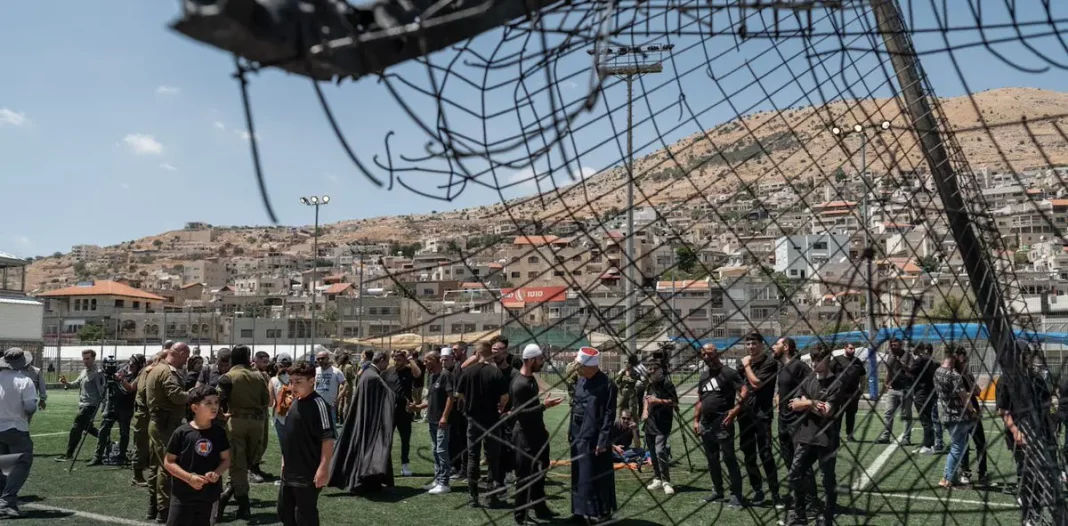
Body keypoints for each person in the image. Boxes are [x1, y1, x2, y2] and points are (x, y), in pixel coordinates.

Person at [786, 345, 845, 526]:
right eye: (813, 360)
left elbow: (827, 411)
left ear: (827, 359)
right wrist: (812, 402)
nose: (814, 364)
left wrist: (805, 403)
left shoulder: (837, 384)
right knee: (795, 473)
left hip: (827, 439)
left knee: (827, 479)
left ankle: (827, 516)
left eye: (818, 360)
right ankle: (800, 516)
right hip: (806, 436)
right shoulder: (808, 379)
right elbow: (792, 404)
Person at [509, 344, 563, 524]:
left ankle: (540, 509)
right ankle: (520, 515)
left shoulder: (530, 378)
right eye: (540, 359)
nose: (542, 362)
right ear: (531, 360)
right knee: (525, 476)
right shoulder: (520, 384)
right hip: (525, 436)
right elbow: (519, 413)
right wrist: (544, 407)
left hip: (536, 433)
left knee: (540, 471)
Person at [162, 385, 231, 526]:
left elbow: (226, 459)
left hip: (209, 495)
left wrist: (216, 473)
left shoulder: (219, 432)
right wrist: (189, 478)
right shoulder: (182, 433)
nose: (214, 406)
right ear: (195, 408)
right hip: (183, 494)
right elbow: (168, 462)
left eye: (216, 402)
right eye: (208, 403)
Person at [278, 361, 336, 526]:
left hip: (307, 473)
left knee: (305, 516)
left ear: (312, 381)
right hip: (289, 471)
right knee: (284, 512)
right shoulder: (295, 402)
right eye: (291, 381)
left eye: (298, 382)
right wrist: (284, 458)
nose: (293, 386)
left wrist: (323, 468)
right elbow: (291, 435)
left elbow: (327, 439)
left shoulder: (319, 405)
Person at [216, 345, 270, 521]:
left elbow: (217, 400)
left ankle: (235, 500)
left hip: (235, 421)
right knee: (247, 462)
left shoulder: (228, 377)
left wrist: (221, 416)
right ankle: (237, 499)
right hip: (257, 423)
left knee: (237, 463)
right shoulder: (259, 376)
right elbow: (266, 401)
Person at [329, 351, 395, 493]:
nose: (388, 364)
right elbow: (387, 396)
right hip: (370, 420)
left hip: (366, 418)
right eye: (387, 361)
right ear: (381, 359)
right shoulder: (373, 376)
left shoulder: (368, 373)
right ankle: (367, 482)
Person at [727, 331, 781, 506]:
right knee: (748, 454)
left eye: (754, 343)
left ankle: (775, 492)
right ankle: (758, 490)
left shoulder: (770, 362)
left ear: (761, 345)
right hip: (745, 415)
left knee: (765, 454)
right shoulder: (741, 365)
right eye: (748, 344)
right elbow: (736, 384)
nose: (750, 347)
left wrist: (747, 366)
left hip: (762, 414)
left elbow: (757, 384)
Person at [455, 342, 509, 508]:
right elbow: (505, 396)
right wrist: (500, 406)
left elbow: (459, 394)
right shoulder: (496, 372)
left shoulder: (468, 372)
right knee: (493, 459)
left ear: (476, 354)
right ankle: (491, 497)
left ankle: (473, 497)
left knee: (473, 457)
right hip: (492, 420)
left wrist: (470, 403)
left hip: (473, 420)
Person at [569, 347, 618, 522]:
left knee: (596, 475)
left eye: (580, 365)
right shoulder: (581, 380)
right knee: (578, 474)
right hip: (577, 435)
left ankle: (601, 512)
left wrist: (603, 440)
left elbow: (609, 414)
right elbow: (575, 407)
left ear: (591, 367)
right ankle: (579, 512)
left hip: (595, 438)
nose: (577, 368)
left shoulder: (608, 384)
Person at [146, 342, 192, 523]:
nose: (186, 361)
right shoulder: (167, 372)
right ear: (179, 354)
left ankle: (154, 506)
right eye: (186, 357)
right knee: (168, 467)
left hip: (157, 422)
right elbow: (177, 396)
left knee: (157, 467)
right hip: (166, 425)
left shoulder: (154, 369)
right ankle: (164, 510)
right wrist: (192, 394)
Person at [694, 343, 744, 508]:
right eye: (703, 355)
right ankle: (718, 491)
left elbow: (744, 390)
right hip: (706, 423)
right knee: (711, 459)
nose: (706, 357)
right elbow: (700, 400)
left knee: (729, 458)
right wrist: (696, 421)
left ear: (717, 353)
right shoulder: (703, 376)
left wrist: (735, 410)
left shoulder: (729, 373)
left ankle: (736, 495)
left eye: (709, 354)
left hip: (723, 421)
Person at [773, 337, 813, 514]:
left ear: (786, 347)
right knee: (789, 461)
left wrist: (801, 399)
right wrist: (777, 396)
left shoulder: (799, 366)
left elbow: (813, 385)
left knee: (801, 462)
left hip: (797, 421)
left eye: (777, 344)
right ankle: (799, 496)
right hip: (783, 419)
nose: (774, 347)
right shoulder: (782, 367)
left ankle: (812, 500)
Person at [0, 348, 39, 519]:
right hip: (16, 428)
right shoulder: (25, 381)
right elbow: (30, 407)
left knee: (4, 465)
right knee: (22, 462)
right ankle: (7, 501)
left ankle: (3, 498)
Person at [411, 351, 454, 495]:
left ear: (435, 360)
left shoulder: (445, 375)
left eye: (426, 361)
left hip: (441, 421)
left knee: (442, 451)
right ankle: (438, 479)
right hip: (432, 419)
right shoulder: (431, 377)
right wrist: (417, 407)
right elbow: (430, 400)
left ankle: (444, 482)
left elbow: (450, 398)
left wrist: (445, 417)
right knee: (435, 450)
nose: (424, 364)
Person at [934, 345, 977, 488]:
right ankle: (946, 478)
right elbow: (964, 398)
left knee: (958, 446)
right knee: (958, 447)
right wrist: (972, 410)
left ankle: (952, 478)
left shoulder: (938, 371)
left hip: (945, 413)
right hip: (957, 416)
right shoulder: (954, 375)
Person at [91, 354, 144, 466]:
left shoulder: (139, 375)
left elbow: (130, 389)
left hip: (126, 407)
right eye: (130, 362)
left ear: (139, 365)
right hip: (112, 404)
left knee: (124, 433)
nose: (130, 365)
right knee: (103, 430)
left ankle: (122, 455)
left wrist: (121, 379)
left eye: (133, 363)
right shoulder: (122, 369)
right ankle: (98, 456)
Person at [55, 349, 105, 462]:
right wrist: (66, 383)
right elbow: (76, 384)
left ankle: (69, 454)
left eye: (87, 358)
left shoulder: (98, 373)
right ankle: (108, 442)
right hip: (82, 404)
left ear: (93, 358)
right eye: (83, 358)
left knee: (76, 427)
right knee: (89, 428)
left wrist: (103, 407)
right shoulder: (84, 371)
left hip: (90, 406)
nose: (85, 361)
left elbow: (102, 392)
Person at [381, 349, 421, 477]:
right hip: (390, 410)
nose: (397, 362)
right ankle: (385, 466)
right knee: (387, 440)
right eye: (395, 359)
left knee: (405, 439)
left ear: (404, 360)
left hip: (405, 411)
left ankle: (405, 465)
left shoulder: (409, 370)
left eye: (399, 359)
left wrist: (409, 358)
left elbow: (418, 374)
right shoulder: (388, 372)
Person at [642, 358, 678, 496]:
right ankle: (657, 478)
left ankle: (666, 481)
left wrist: (659, 401)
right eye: (649, 369)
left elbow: (674, 402)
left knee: (660, 451)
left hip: (663, 423)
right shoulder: (650, 384)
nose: (651, 372)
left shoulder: (668, 384)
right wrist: (645, 410)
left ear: (660, 370)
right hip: (650, 422)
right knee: (652, 453)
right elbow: (647, 398)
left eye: (653, 369)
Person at [133, 350, 166, 496]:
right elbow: (142, 390)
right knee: (142, 445)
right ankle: (137, 475)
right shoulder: (149, 372)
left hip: (149, 412)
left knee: (152, 446)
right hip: (144, 412)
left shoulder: (149, 371)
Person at [491, 337, 519, 485]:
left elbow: (518, 397)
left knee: (507, 447)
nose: (495, 354)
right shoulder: (489, 371)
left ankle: (508, 473)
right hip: (491, 417)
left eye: (499, 351)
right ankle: (495, 476)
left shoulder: (514, 374)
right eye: (493, 351)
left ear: (506, 353)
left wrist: (510, 412)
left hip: (508, 417)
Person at [876, 338, 914, 445]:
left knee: (906, 415)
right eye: (891, 345)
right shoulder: (890, 356)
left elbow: (911, 372)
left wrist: (901, 362)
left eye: (895, 345)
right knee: (888, 413)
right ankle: (885, 436)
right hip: (893, 389)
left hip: (905, 389)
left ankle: (906, 438)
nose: (892, 347)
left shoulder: (908, 356)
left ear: (900, 345)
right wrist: (886, 382)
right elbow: (889, 370)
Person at [909, 343, 941, 455]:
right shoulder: (935, 361)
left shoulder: (920, 360)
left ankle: (928, 446)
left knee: (925, 420)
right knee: (930, 419)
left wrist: (902, 364)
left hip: (921, 393)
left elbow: (909, 372)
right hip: (932, 393)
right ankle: (928, 444)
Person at [443, 346, 469, 481]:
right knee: (456, 439)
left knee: (465, 440)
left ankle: (465, 469)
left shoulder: (467, 366)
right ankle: (458, 466)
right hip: (457, 409)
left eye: (455, 350)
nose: (453, 353)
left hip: (465, 409)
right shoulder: (456, 367)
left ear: (463, 351)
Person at [832, 342, 866, 442]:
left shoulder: (857, 361)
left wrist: (861, 389)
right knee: (837, 416)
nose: (853, 350)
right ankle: (835, 435)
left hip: (853, 394)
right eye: (850, 348)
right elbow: (829, 373)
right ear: (845, 348)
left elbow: (862, 376)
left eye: (854, 349)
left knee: (851, 416)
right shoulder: (837, 360)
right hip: (839, 394)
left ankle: (850, 435)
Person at [250, 351, 274, 483]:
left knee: (263, 442)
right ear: (257, 360)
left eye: (267, 361)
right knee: (256, 442)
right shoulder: (252, 374)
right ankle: (252, 470)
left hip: (264, 411)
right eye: (264, 361)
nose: (266, 364)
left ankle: (257, 467)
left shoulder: (264, 374)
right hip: (255, 412)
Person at [269, 354, 295, 448]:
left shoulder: (273, 380)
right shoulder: (296, 379)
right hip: (295, 415)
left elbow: (270, 402)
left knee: (284, 446)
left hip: (279, 415)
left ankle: (284, 462)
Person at [314, 350, 346, 424]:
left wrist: (338, 398)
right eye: (318, 359)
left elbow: (345, 384)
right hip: (316, 405)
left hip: (330, 405)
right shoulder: (315, 371)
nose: (320, 360)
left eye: (322, 358)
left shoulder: (336, 371)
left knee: (332, 428)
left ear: (328, 358)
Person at [615, 354, 643, 423]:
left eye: (627, 363)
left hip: (632, 394)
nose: (626, 364)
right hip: (622, 394)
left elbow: (642, 383)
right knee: (619, 411)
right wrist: (620, 374)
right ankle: (618, 428)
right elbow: (616, 382)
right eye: (625, 362)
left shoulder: (636, 373)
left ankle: (635, 429)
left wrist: (638, 383)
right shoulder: (622, 372)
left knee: (633, 411)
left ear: (631, 364)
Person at [336, 353, 358, 422]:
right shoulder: (349, 366)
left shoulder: (339, 367)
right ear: (347, 359)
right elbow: (352, 376)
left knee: (340, 402)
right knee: (347, 403)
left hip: (341, 385)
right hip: (348, 385)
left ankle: (340, 417)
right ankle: (345, 417)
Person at [408, 350, 426, 421]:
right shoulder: (422, 363)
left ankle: (412, 414)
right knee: (419, 399)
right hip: (421, 383)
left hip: (415, 384)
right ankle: (418, 414)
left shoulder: (414, 364)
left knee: (414, 399)